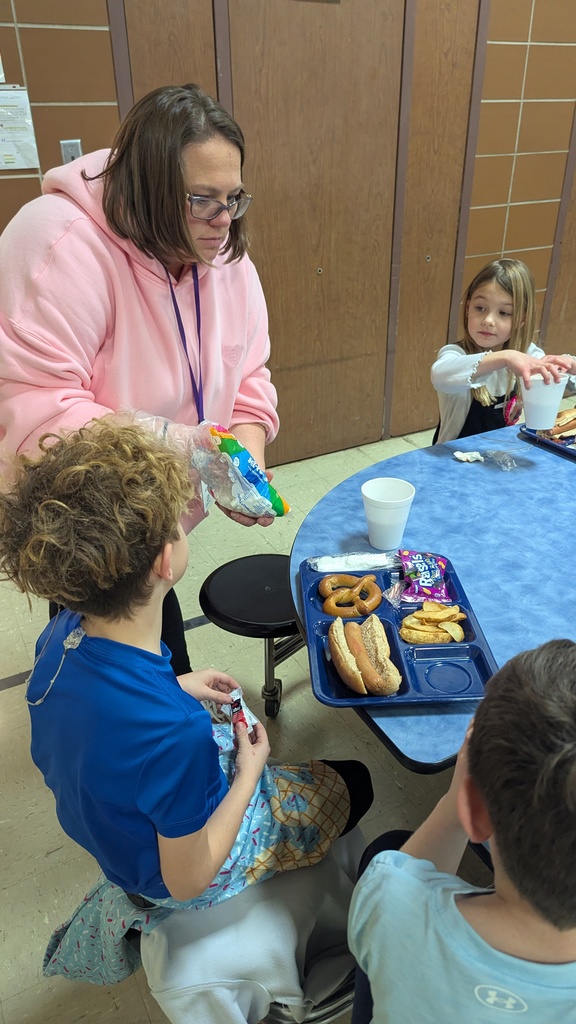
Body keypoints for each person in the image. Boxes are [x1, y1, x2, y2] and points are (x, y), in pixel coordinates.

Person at [0, 419, 373, 914]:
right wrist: (249, 773)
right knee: (356, 782)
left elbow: (99, 718)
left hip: (115, 834)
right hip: (169, 875)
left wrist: (176, 684)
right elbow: (188, 879)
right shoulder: (176, 732)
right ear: (164, 560)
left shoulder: (57, 636)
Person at [0, 82, 279, 674]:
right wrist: (188, 447)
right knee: (104, 637)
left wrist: (243, 454)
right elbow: (37, 413)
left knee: (151, 628)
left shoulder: (223, 253)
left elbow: (249, 370)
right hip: (85, 510)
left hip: (157, 510)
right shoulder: (56, 241)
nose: (223, 221)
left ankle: (147, 698)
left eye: (233, 198)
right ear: (148, 188)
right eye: (201, 200)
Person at [348, 639, 576, 1023]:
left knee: (386, 846)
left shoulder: (388, 896)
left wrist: (459, 797)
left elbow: (398, 883)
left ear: (474, 812)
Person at [431, 258, 576, 443]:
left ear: (521, 319)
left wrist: (570, 366)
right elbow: (440, 375)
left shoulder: (527, 354)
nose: (488, 320)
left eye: (504, 313)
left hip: (499, 453)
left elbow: (558, 377)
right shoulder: (456, 353)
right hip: (452, 456)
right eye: (480, 308)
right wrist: (506, 357)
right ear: (467, 309)